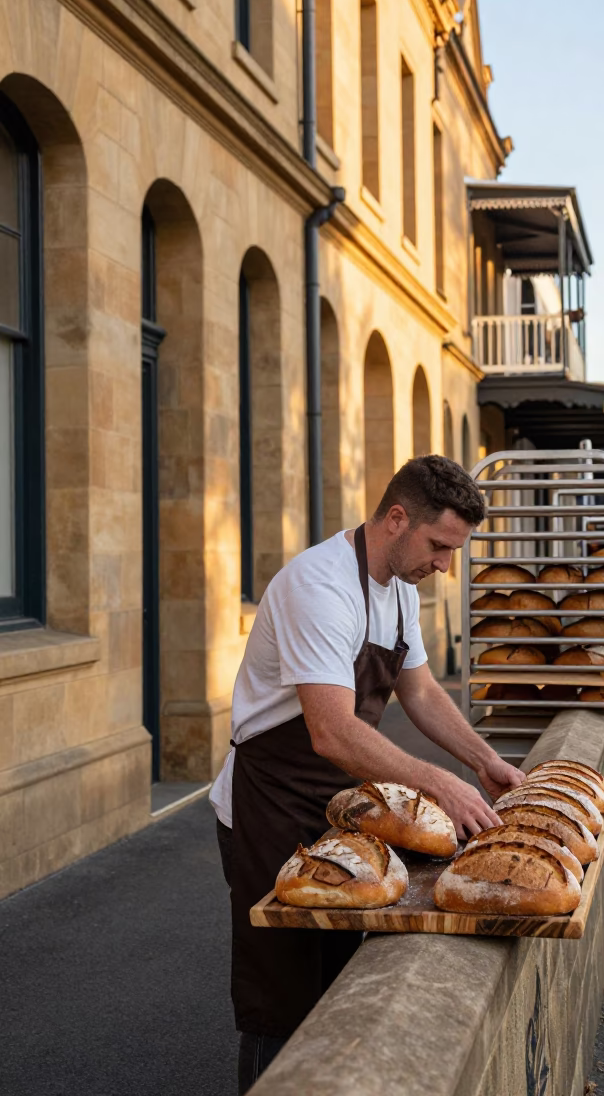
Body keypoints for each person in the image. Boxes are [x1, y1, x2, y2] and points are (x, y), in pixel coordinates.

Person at [210, 455, 525, 1093]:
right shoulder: (320, 587)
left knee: (340, 986)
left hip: (341, 809)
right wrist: (441, 784)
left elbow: (423, 692)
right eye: (439, 546)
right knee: (282, 996)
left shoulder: (401, 592)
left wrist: (483, 760)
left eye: (453, 551)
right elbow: (332, 730)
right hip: (269, 807)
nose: (444, 566)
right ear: (396, 518)